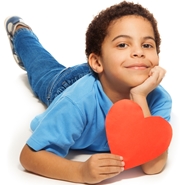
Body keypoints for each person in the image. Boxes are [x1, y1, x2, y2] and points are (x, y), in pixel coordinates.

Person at [4, 1, 172, 184]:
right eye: (123, 44)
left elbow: (153, 166)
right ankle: (21, 31)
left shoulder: (158, 99)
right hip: (64, 84)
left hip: (108, 74)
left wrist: (139, 96)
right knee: (40, 66)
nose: (139, 52)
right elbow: (29, 156)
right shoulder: (76, 101)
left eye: (147, 45)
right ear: (97, 62)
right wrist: (80, 171)